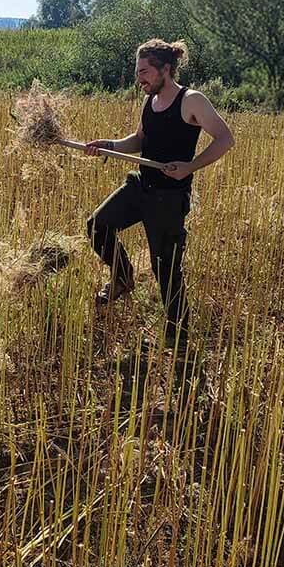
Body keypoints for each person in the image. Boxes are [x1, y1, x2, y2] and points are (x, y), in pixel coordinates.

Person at [84, 38, 235, 350]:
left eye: (145, 72)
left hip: (169, 197)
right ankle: (123, 277)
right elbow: (138, 140)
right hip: (140, 186)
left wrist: (190, 166)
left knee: (166, 270)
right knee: (98, 225)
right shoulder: (149, 101)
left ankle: (177, 339)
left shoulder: (191, 100)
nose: (140, 78)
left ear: (166, 69)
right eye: (138, 72)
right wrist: (107, 145)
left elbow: (225, 139)